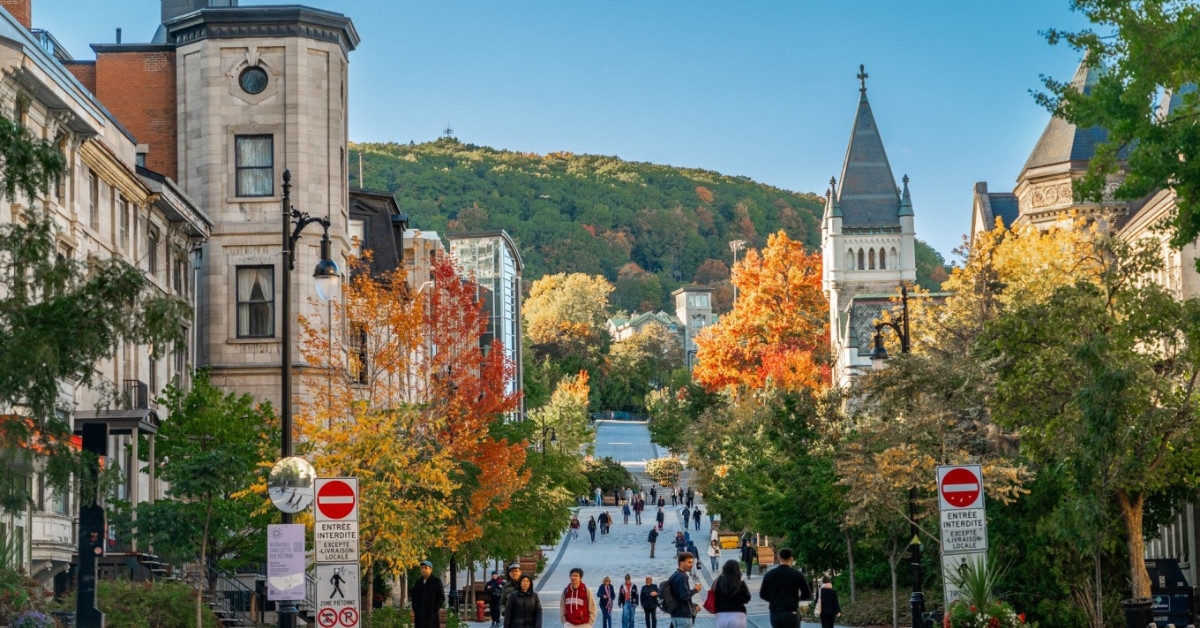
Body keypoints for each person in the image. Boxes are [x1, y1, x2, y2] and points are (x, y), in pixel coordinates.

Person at [758, 548, 812, 628]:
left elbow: (762, 594)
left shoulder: (770, 574)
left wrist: (773, 599)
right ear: (791, 558)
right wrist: (797, 599)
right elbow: (807, 594)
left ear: (779, 558)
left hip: (776, 612)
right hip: (791, 611)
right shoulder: (797, 574)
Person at [667, 552, 703, 628]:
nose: (691, 565)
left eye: (692, 562)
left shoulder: (674, 575)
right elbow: (684, 596)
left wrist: (693, 605)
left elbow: (677, 596)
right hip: (683, 616)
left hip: (676, 614)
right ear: (681, 563)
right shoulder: (683, 577)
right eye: (689, 562)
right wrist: (695, 590)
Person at [713, 559, 752, 628]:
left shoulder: (718, 581)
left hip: (721, 615)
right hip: (738, 615)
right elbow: (747, 598)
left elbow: (714, 596)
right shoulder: (740, 582)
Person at [410, 560, 445, 628]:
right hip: (419, 616)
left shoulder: (436, 582)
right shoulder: (418, 582)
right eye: (422, 568)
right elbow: (414, 597)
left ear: (431, 569)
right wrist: (415, 608)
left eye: (425, 568)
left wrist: (435, 608)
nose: (423, 569)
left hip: (431, 617)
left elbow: (441, 597)